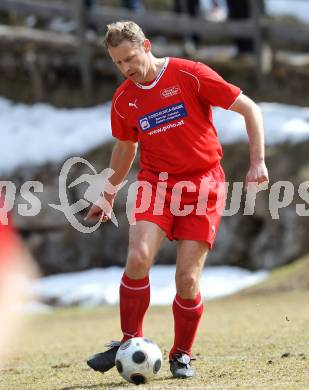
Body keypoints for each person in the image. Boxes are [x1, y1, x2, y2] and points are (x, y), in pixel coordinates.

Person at [86, 21, 269, 379]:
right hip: (155, 184)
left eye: (130, 58)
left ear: (147, 46)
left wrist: (257, 161)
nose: (127, 69)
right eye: (118, 63)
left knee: (187, 280)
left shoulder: (189, 74)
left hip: (203, 185)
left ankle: (181, 354)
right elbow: (126, 148)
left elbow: (250, 109)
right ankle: (128, 343)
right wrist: (107, 193)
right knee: (138, 258)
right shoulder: (125, 99)